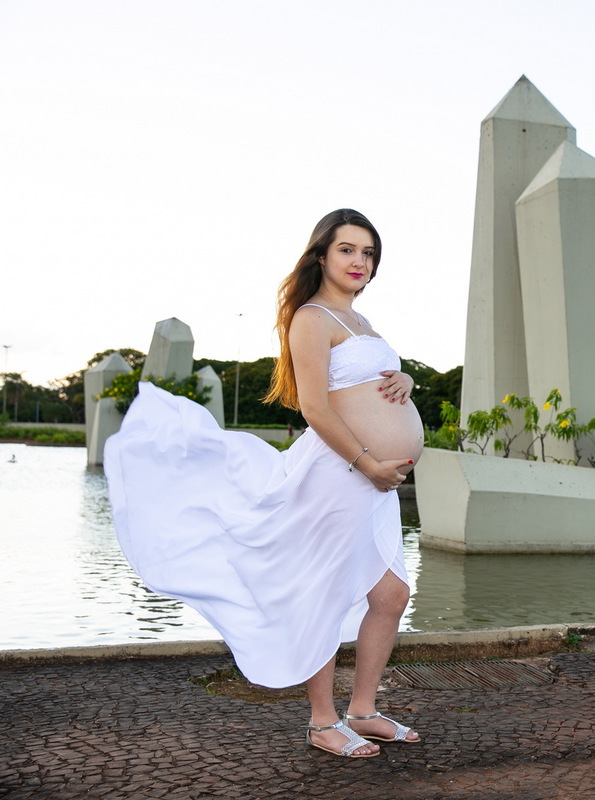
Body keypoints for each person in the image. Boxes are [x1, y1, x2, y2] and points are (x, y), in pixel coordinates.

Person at [105, 209, 423, 758]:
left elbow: (371, 385)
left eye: (368, 253)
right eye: (347, 249)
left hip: (376, 485)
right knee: (324, 594)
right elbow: (317, 408)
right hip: (343, 473)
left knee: (392, 595)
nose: (359, 262)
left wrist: (407, 377)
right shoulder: (312, 317)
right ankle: (324, 722)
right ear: (321, 254)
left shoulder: (364, 323)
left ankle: (364, 711)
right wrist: (369, 461)